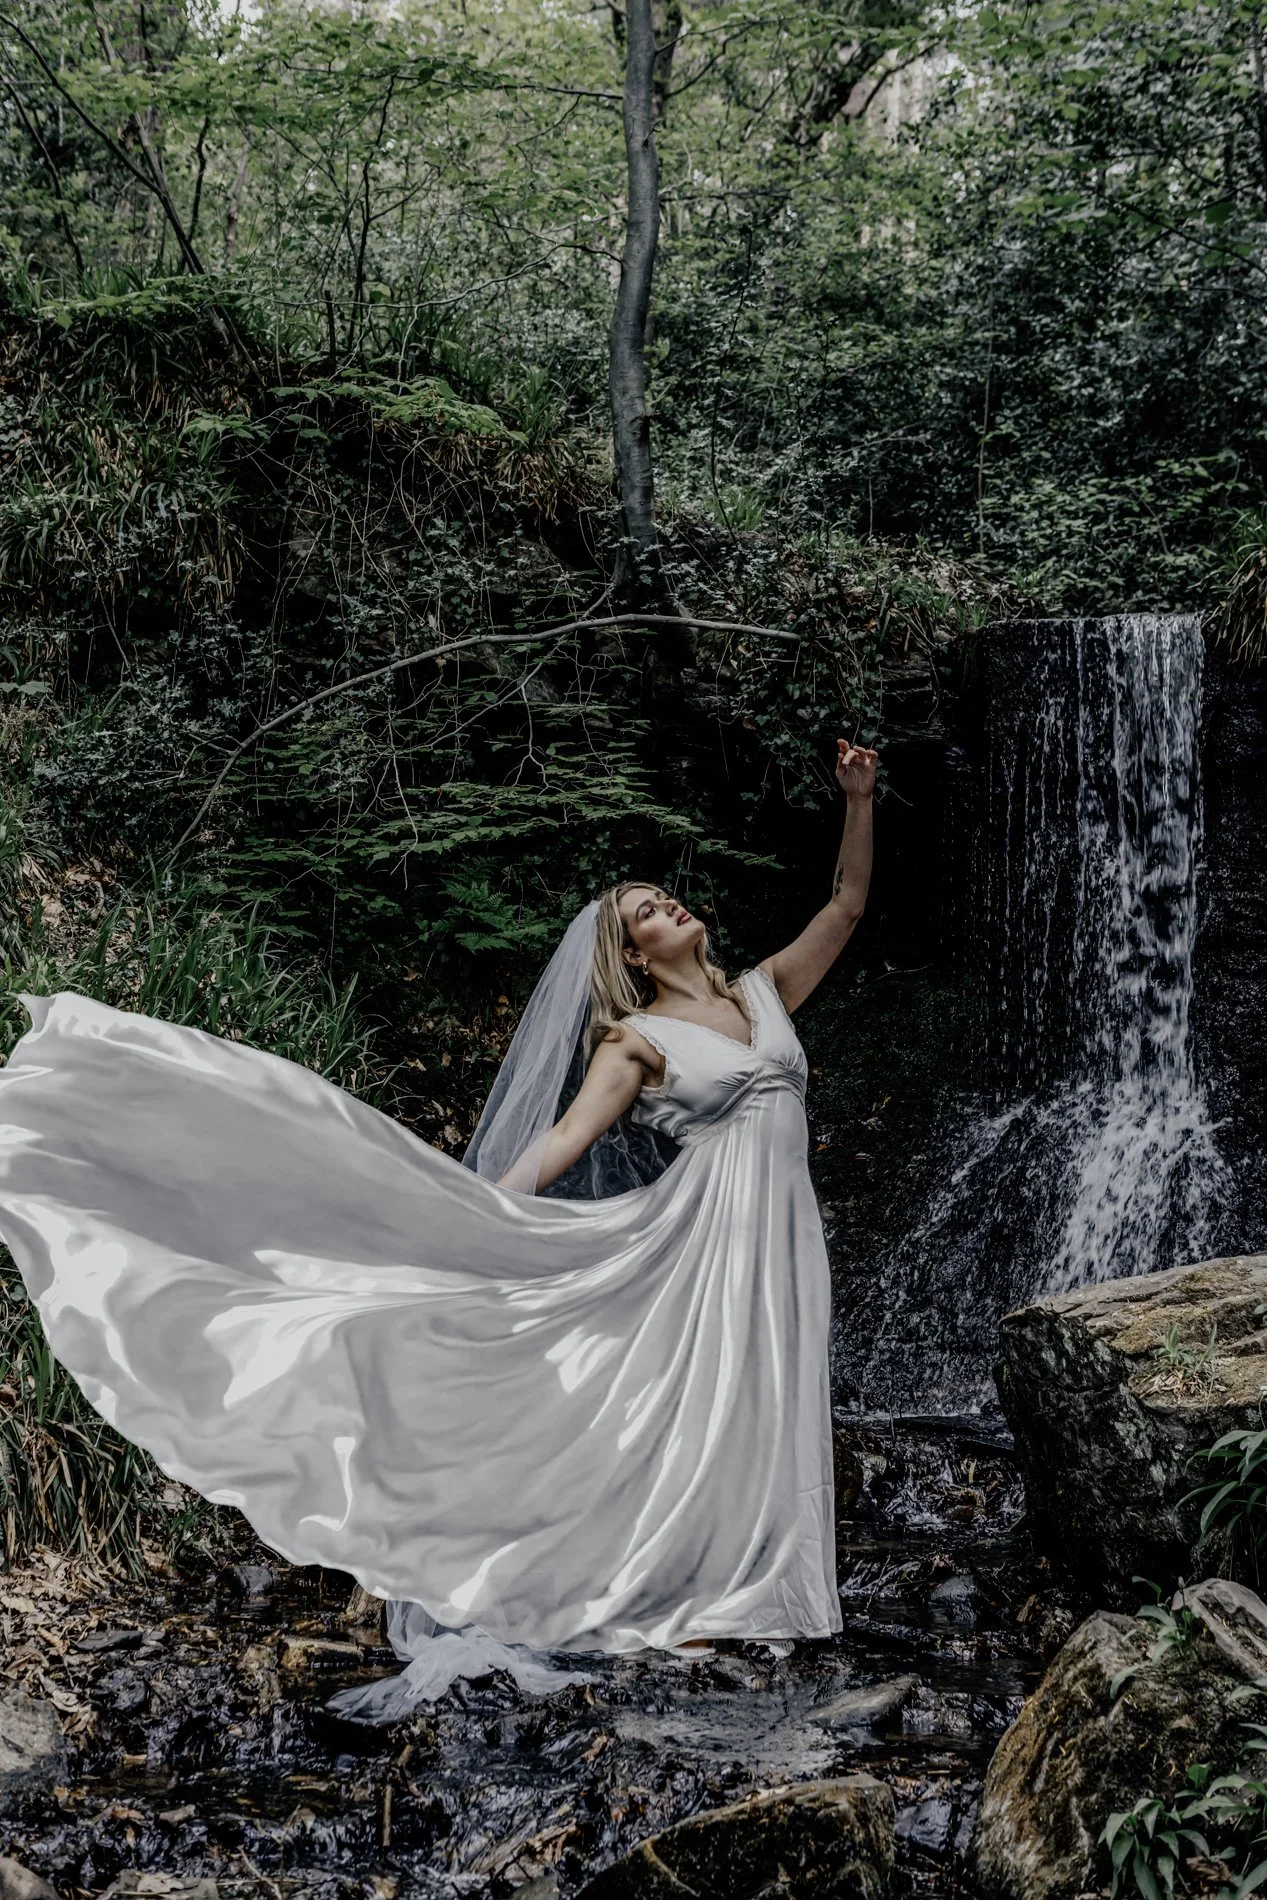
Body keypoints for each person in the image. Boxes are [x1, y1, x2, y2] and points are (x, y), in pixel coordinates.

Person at [0, 739, 877, 1715]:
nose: (666, 904)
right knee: (704, 1403)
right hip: (706, 1243)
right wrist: (475, 1214)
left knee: (767, 1395)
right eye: (644, 911)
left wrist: (858, 798)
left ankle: (764, 1586)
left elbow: (844, 904)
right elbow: (563, 1140)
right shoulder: (636, 1040)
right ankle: (689, 1593)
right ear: (633, 956)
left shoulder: (763, 992)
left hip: (785, 1235)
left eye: (663, 896)